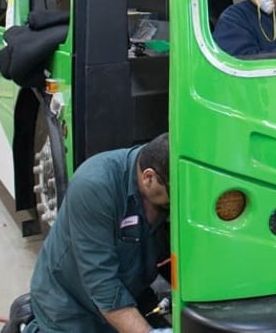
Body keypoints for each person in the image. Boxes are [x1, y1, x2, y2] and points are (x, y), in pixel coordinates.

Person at [24, 134, 172, 333]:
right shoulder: (95, 186)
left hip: (130, 294)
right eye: (173, 194)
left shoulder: (165, 170)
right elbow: (101, 281)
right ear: (148, 178)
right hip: (69, 308)